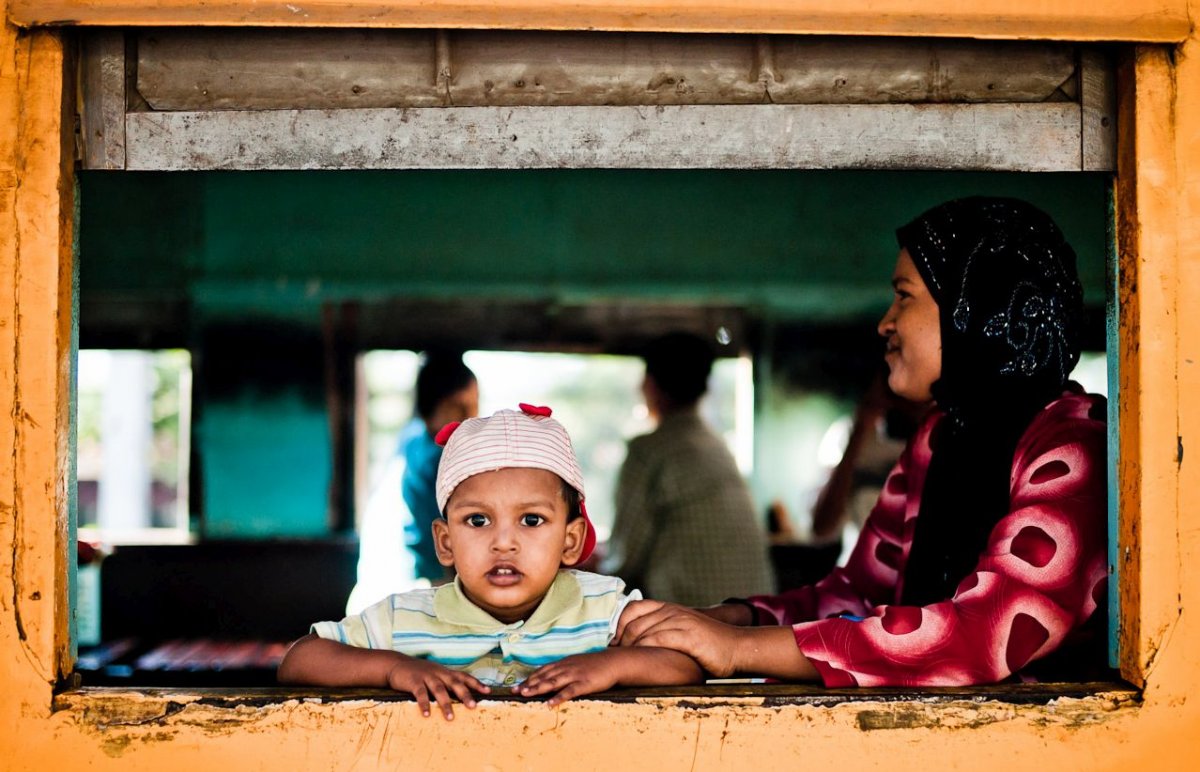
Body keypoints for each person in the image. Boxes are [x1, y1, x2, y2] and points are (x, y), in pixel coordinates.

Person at [615, 197, 1108, 686]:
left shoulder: (1072, 445)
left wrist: (737, 650)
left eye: (905, 295)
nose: (885, 323)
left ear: (973, 306)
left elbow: (982, 633)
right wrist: (723, 620)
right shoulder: (936, 439)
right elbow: (855, 596)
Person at [278, 404, 703, 718]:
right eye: (477, 520)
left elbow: (685, 663)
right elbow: (300, 660)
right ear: (445, 543)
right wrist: (394, 669)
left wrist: (612, 664)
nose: (503, 542)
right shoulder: (404, 618)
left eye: (531, 520)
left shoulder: (604, 609)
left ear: (571, 541)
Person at [602, 332, 774, 606]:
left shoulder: (648, 451)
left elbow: (624, 562)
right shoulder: (718, 447)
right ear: (705, 389)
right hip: (755, 619)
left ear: (649, 386)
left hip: (695, 618)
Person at [400, 351, 479, 582]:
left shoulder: (414, 443)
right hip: (440, 573)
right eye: (457, 407)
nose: (470, 417)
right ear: (428, 410)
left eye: (474, 405)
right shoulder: (436, 458)